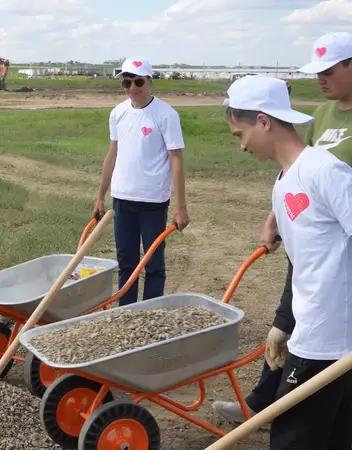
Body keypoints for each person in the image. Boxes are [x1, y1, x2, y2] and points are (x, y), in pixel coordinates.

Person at [212, 30, 352, 424]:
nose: (240, 147)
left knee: (298, 430)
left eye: (240, 135)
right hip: (319, 293)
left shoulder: (326, 171)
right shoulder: (295, 169)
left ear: (263, 122)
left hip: (332, 329)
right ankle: (263, 395)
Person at [92, 56, 190, 306]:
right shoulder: (118, 113)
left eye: (138, 82)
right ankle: (127, 313)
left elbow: (176, 159)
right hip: (123, 199)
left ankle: (151, 311)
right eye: (127, 83)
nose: (133, 89)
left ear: (149, 81)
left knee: (153, 263)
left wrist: (180, 207)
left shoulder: (166, 115)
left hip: (153, 201)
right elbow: (112, 154)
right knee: (126, 263)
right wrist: (100, 195)